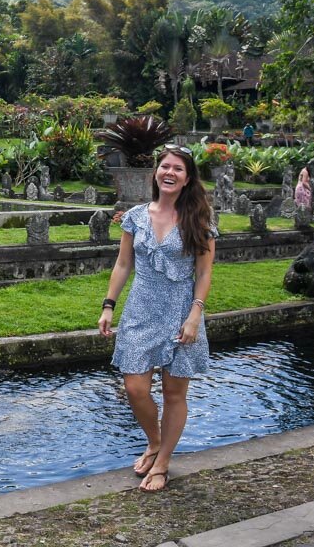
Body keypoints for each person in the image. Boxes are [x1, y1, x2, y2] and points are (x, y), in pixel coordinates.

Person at [98, 144, 216, 493]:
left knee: (174, 392)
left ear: (187, 178)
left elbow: (205, 273)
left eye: (178, 169)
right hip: (140, 310)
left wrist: (195, 314)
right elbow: (123, 264)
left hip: (182, 310)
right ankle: (155, 441)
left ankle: (162, 462)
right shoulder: (135, 216)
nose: (170, 173)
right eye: (165, 167)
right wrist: (108, 305)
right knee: (135, 388)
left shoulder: (199, 220)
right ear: (155, 173)